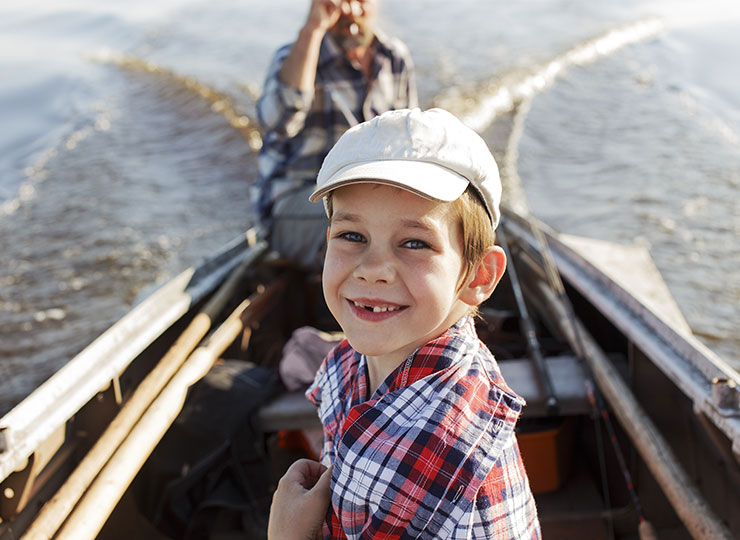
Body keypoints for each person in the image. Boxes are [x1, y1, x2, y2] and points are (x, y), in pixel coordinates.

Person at [299, 108, 541, 538]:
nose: (373, 270)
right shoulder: (348, 361)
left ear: (478, 276)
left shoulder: (445, 440)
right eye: (352, 236)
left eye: (414, 243)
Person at [253, 0, 418, 268]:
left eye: (361, 2)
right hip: (298, 202)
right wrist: (313, 30)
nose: (351, 12)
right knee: (363, 227)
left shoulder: (394, 57)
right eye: (340, 2)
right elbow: (277, 123)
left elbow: (409, 145)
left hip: (371, 200)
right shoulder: (292, 57)